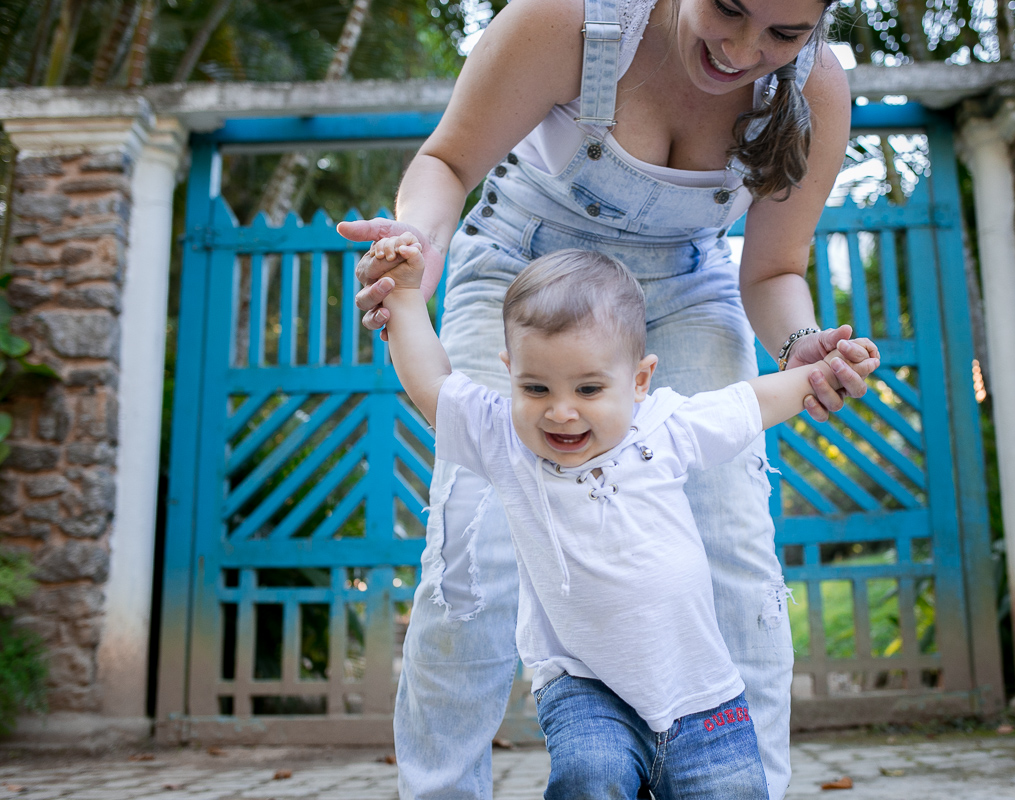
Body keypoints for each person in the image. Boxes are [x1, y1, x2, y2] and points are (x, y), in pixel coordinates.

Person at [336, 0, 876, 796]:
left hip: (686, 291)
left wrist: (805, 350)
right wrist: (414, 240)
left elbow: (772, 271)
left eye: (783, 33)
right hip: (529, 278)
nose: (742, 47)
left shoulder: (814, 92)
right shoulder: (570, 21)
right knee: (475, 560)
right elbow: (448, 162)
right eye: (728, 9)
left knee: (735, 550)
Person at [371, 240, 878, 799]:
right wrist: (409, 295)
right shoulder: (502, 442)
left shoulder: (665, 428)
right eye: (535, 388)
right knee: (593, 777)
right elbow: (431, 384)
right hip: (585, 688)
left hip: (702, 698)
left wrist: (827, 371)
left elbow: (753, 402)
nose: (561, 410)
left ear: (639, 381)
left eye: (589, 389)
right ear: (509, 372)